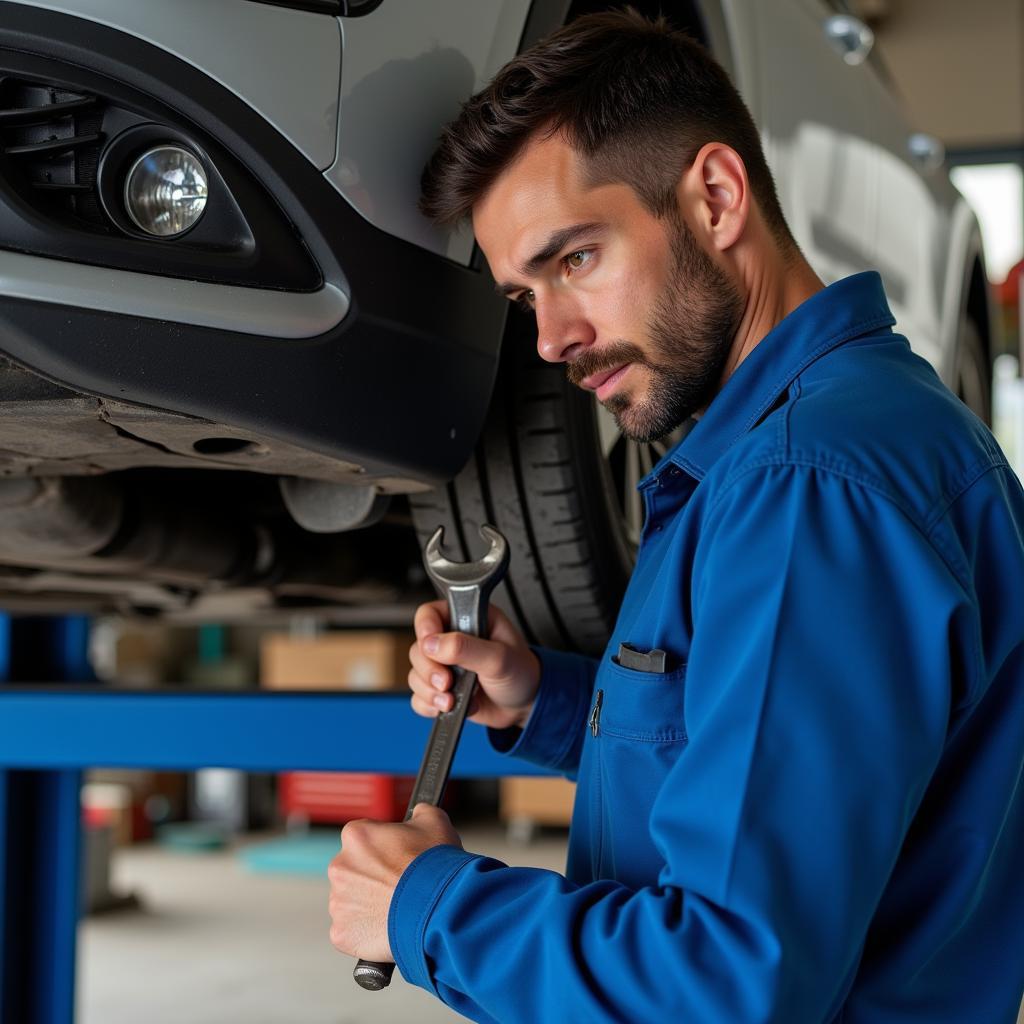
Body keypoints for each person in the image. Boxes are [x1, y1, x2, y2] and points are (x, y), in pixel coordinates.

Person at [328, 10, 1024, 1021]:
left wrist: (428, 909)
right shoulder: (827, 439)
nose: (552, 340)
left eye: (574, 259)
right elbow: (778, 754)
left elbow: (726, 985)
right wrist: (540, 698)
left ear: (713, 196)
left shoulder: (810, 488)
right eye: (524, 297)